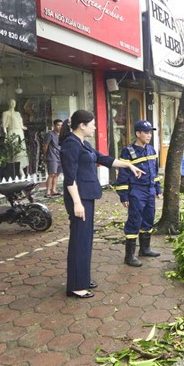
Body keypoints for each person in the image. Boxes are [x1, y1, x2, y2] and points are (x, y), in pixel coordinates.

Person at [60, 110, 143, 299]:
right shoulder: (70, 145)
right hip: (78, 199)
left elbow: (105, 159)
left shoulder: (84, 143)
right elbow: (70, 177)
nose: (95, 127)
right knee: (79, 240)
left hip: (87, 197)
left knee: (86, 239)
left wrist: (128, 165)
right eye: (92, 123)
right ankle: (75, 286)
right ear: (82, 125)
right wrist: (77, 203)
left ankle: (82, 278)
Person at [115, 120, 163, 267]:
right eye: (146, 132)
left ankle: (145, 249)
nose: (149, 135)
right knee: (134, 220)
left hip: (150, 190)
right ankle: (129, 256)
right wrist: (123, 195)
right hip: (136, 191)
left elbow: (155, 171)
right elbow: (122, 174)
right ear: (138, 133)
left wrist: (158, 188)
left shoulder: (151, 150)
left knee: (149, 218)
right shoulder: (128, 151)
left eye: (150, 133)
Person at [2, 98, 28, 178]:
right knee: (14, 153)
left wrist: (25, 127)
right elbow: (4, 126)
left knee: (21, 152)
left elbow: (21, 124)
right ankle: (18, 172)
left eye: (14, 102)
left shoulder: (18, 113)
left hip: (19, 132)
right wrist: (6, 136)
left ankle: (22, 171)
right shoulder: (5, 113)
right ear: (9, 103)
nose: (13, 104)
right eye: (11, 102)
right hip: (12, 132)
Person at [43, 119, 63, 197]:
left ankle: (54, 190)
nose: (60, 127)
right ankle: (47, 191)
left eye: (61, 125)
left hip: (60, 156)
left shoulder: (62, 135)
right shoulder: (50, 134)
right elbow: (45, 146)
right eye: (58, 125)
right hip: (52, 156)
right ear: (54, 125)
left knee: (57, 174)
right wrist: (45, 155)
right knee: (51, 174)